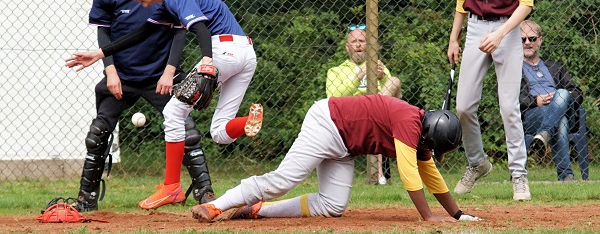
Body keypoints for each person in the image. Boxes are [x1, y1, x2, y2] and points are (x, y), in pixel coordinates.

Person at [65, 0, 263, 210]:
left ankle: (171, 187)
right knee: (221, 133)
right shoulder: (168, 4)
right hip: (245, 53)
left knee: (173, 112)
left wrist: (206, 61)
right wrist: (99, 53)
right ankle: (249, 121)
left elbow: (200, 28)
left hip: (222, 50)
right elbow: (141, 34)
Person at [70, 0, 214, 212]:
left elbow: (179, 31)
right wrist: (110, 70)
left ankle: (205, 193)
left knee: (187, 129)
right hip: (121, 75)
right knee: (98, 132)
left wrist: (169, 72)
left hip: (160, 74)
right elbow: (104, 31)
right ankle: (86, 199)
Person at [190, 94, 481, 223]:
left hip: (346, 146)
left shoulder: (421, 134)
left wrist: (457, 214)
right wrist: (428, 217)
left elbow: (430, 175)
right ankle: (215, 206)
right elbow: (409, 176)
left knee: (332, 206)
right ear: (430, 133)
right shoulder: (409, 122)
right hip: (327, 123)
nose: (432, 153)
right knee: (283, 181)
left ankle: (257, 210)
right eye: (435, 147)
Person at [447, 0, 536, 201]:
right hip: (475, 28)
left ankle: (519, 176)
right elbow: (461, 0)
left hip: (508, 31)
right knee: (463, 107)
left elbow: (526, 4)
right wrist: (454, 37)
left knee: (509, 107)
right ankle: (477, 163)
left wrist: (501, 34)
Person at [326, 24, 401, 185]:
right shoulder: (336, 71)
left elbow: (393, 90)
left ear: (368, 45)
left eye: (362, 41)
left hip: (379, 110)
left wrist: (381, 77)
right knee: (377, 113)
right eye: (354, 42)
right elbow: (333, 96)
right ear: (347, 47)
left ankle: (380, 173)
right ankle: (379, 173)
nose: (358, 44)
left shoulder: (378, 66)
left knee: (394, 81)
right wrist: (360, 75)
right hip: (352, 114)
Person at [519, 20, 582, 181]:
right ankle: (566, 175)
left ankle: (545, 133)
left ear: (540, 40)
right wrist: (535, 100)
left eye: (532, 39)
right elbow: (508, 96)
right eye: (523, 39)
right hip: (533, 115)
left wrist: (558, 98)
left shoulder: (555, 67)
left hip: (563, 110)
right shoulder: (514, 68)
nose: (527, 43)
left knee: (562, 92)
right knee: (560, 122)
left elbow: (577, 92)